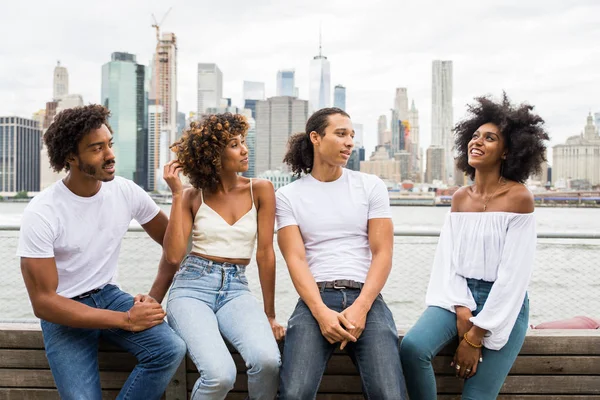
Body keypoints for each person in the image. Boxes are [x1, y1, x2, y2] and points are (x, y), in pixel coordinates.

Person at [17, 105, 187, 400]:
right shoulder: (43, 212)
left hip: (108, 294)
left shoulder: (126, 191)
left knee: (170, 349)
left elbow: (174, 247)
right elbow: (44, 302)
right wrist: (125, 320)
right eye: (97, 148)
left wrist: (154, 297)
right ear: (71, 156)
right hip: (64, 311)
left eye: (109, 144)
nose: (110, 155)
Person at [400, 93, 549, 399]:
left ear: (508, 152)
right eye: (475, 135)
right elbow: (449, 261)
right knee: (413, 347)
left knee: (476, 397)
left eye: (490, 138)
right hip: (459, 295)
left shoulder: (519, 198)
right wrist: (461, 307)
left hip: (504, 304)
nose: (477, 142)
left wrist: (475, 335)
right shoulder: (459, 198)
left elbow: (513, 278)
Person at [276, 107, 408, 399]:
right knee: (294, 393)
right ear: (315, 137)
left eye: (352, 135)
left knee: (389, 394)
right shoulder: (288, 196)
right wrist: (321, 313)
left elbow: (383, 253)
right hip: (315, 299)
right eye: (340, 134)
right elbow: (295, 259)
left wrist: (361, 307)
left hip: (367, 298)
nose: (350, 142)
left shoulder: (370, 185)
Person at [162, 113, 283, 400]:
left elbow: (265, 254)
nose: (244, 150)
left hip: (236, 289)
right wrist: (177, 195)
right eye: (233, 144)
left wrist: (270, 314)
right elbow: (174, 255)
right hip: (191, 288)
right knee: (219, 374)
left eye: (243, 142)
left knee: (267, 361)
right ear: (212, 155)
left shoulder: (261, 189)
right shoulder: (192, 196)